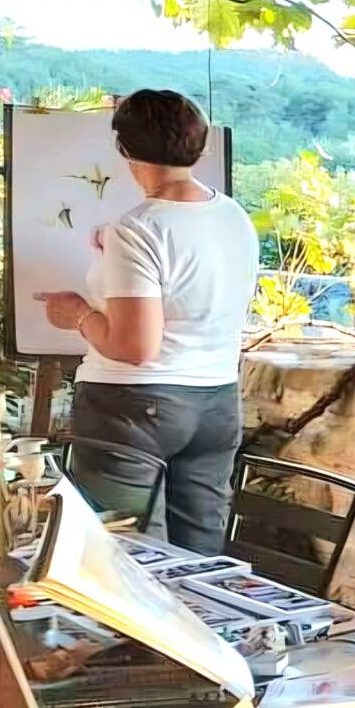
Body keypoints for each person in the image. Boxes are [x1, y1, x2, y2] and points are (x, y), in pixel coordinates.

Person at [36, 90, 258, 554]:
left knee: (125, 559)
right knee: (199, 559)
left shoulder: (139, 228)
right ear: (199, 145)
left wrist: (77, 313)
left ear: (124, 148)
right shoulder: (233, 216)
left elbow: (135, 347)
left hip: (133, 406)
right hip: (215, 402)